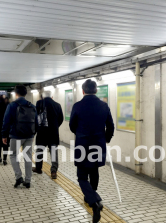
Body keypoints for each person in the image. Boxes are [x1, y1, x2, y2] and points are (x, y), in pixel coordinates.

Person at [69, 79, 115, 223]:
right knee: (94, 171)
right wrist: (106, 138)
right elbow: (110, 125)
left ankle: (94, 201)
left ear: (83, 91)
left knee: (82, 176)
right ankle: (91, 195)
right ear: (96, 90)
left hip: (82, 144)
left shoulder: (77, 106)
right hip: (98, 144)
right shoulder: (103, 105)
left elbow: (72, 125)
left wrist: (80, 133)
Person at [2, 85, 38, 189]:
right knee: (27, 157)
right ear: (25, 94)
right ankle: (28, 180)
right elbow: (36, 122)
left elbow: (6, 121)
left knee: (13, 155)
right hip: (29, 135)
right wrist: (33, 134)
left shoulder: (12, 105)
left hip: (16, 135)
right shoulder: (32, 106)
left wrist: (4, 134)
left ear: (16, 94)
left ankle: (19, 177)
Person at [32, 91, 64, 179]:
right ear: (52, 97)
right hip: (53, 133)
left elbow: (35, 117)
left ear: (42, 96)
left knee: (39, 151)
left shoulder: (39, 103)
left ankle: (38, 168)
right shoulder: (57, 105)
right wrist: (55, 126)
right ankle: (53, 171)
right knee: (53, 152)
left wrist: (36, 129)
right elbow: (61, 118)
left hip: (42, 132)